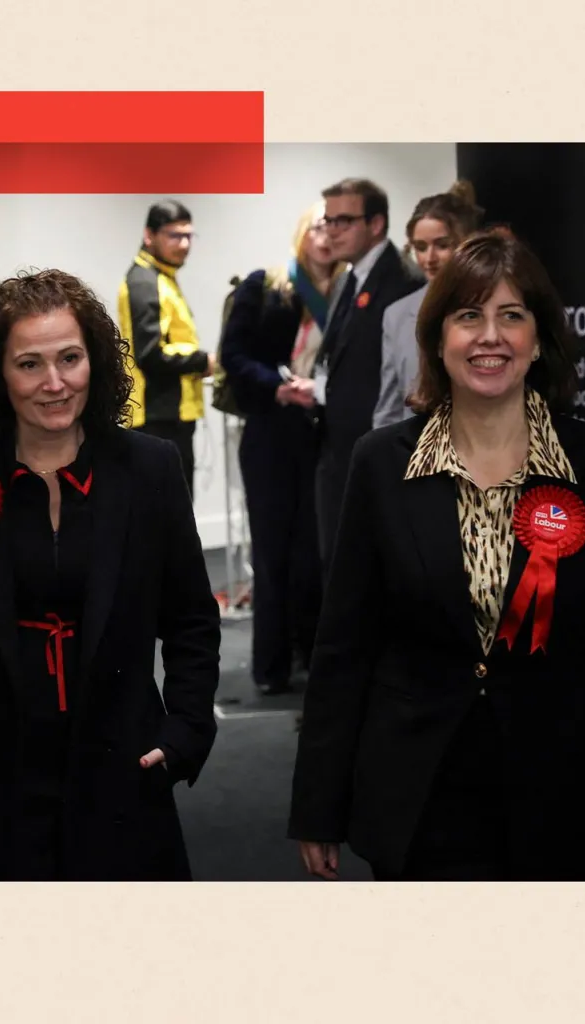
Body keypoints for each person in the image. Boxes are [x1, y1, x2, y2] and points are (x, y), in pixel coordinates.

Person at [288, 233, 585, 881]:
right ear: (438, 338)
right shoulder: (380, 465)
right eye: (468, 315)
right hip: (418, 796)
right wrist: (317, 804)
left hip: (564, 799)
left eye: (511, 315)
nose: (489, 337)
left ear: (539, 338)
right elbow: (344, 645)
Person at [0, 268, 221, 880]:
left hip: (118, 763)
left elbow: (191, 618)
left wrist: (187, 728)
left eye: (70, 358)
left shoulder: (149, 468)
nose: (55, 383)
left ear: (96, 360)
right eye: (29, 365)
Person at [218, 203, 344, 695]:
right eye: (319, 226)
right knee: (272, 551)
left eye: (336, 226)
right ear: (302, 232)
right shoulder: (266, 284)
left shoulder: (349, 293)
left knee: (315, 550)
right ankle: (270, 666)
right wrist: (277, 386)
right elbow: (232, 355)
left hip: (323, 432)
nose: (327, 236)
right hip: (271, 430)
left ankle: (311, 652)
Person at [309, 178, 420, 572]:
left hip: (376, 447)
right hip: (337, 447)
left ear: (376, 224)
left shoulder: (403, 281)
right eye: (328, 221)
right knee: (338, 564)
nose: (332, 231)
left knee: (371, 568)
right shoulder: (347, 278)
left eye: (344, 221)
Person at [118, 199, 216, 493]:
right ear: (149, 236)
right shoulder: (145, 283)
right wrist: (203, 361)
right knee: (167, 510)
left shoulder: (161, 277)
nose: (184, 244)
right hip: (158, 417)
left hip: (170, 415)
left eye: (189, 236)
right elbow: (150, 354)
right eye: (175, 235)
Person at [373, 181, 485, 428]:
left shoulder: (494, 307)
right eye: (420, 247)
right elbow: (389, 408)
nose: (429, 258)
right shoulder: (397, 315)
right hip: (416, 447)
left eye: (442, 245)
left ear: (467, 242)